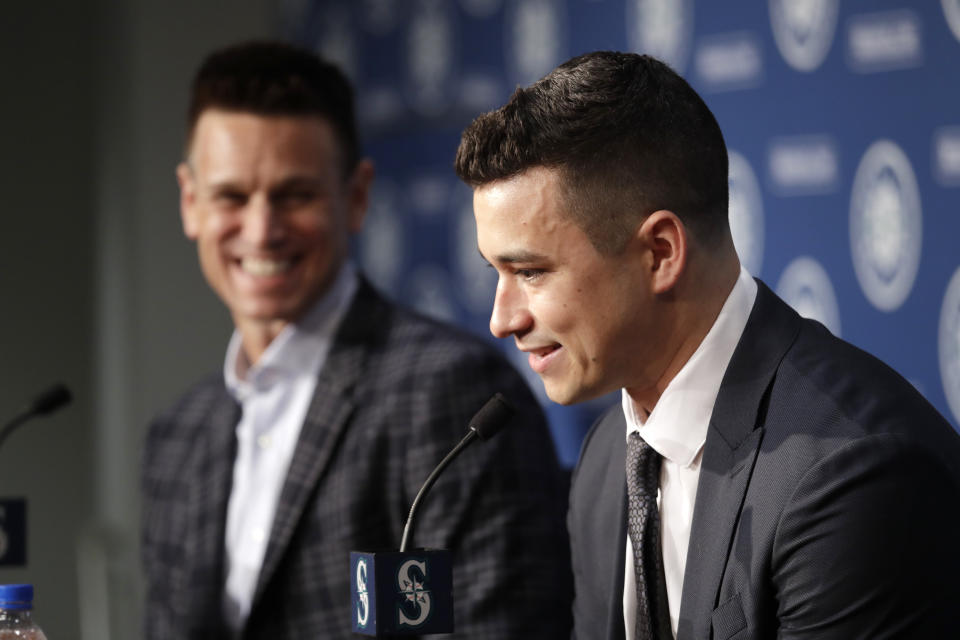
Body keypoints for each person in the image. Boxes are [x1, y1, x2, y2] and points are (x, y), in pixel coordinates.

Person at [455, 50, 960, 639]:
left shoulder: (848, 473)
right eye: (496, 272)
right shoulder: (602, 463)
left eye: (531, 272)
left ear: (661, 253)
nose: (500, 319)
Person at [141, 40, 572, 639]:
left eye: (295, 195)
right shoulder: (176, 438)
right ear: (191, 203)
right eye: (231, 197)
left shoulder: (453, 394)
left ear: (357, 197)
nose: (262, 231)